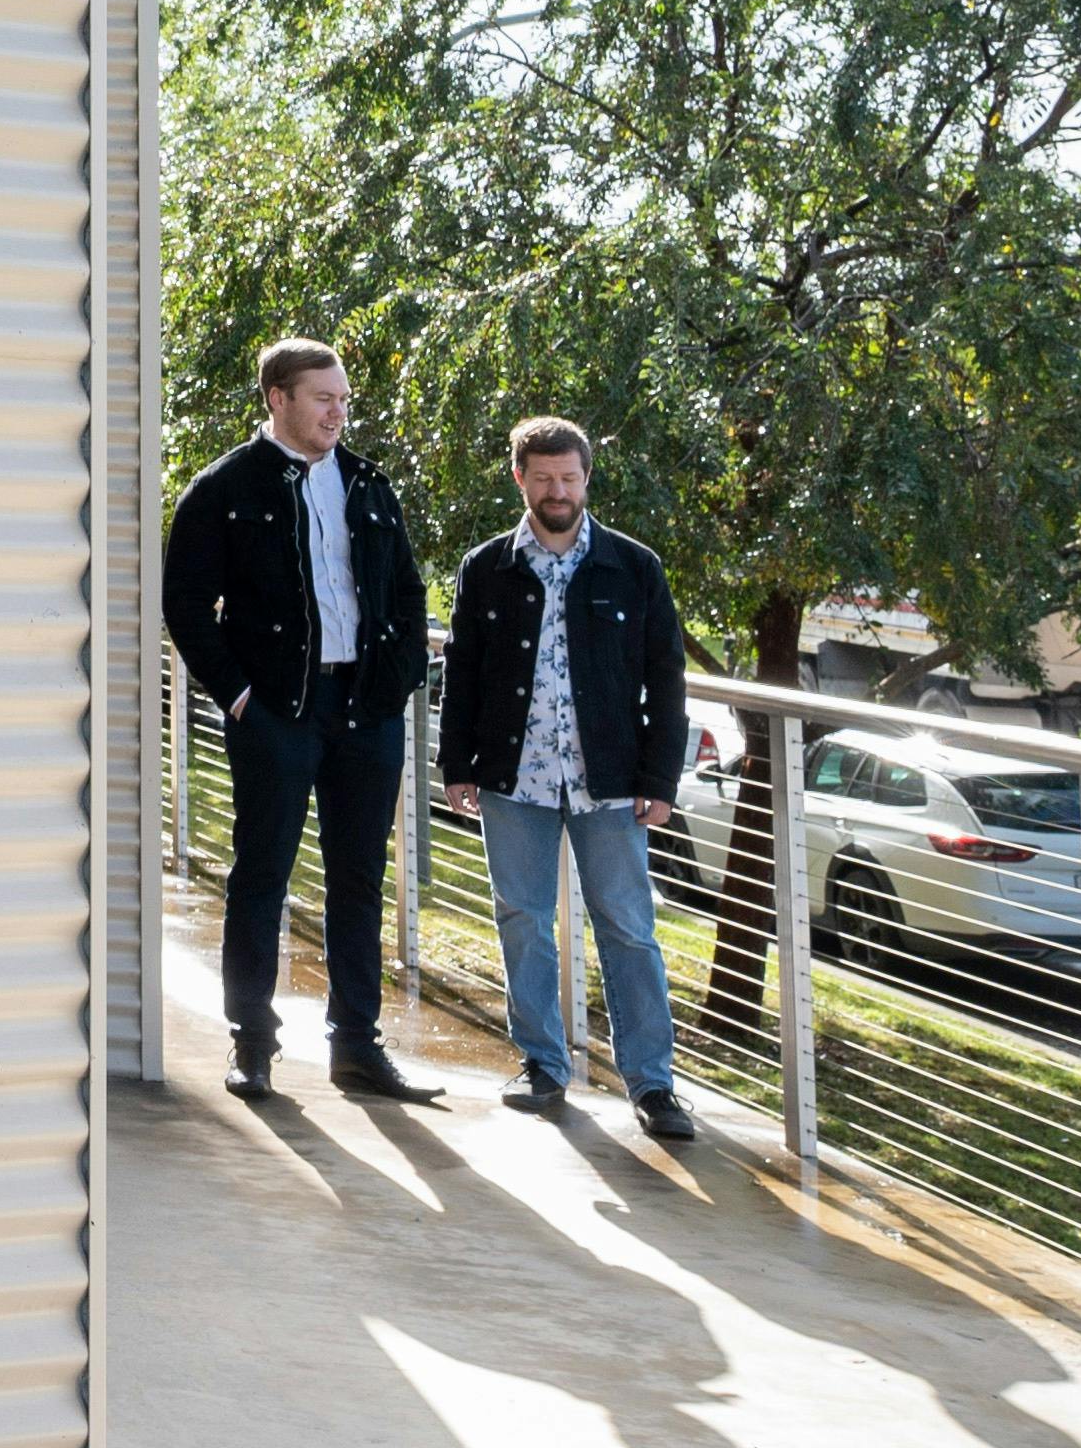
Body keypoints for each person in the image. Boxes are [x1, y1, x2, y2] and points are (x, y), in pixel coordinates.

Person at [161, 338, 432, 1101]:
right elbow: (185, 604)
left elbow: (408, 595)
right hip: (278, 710)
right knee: (262, 876)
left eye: (344, 399)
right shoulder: (224, 489)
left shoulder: (370, 485)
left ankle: (357, 1047)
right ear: (278, 398)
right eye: (323, 398)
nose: (338, 412)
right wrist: (240, 694)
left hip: (367, 711)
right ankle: (252, 1044)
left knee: (359, 879)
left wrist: (398, 682)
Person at [438, 418, 698, 1141]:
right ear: (519, 479)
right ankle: (543, 1065)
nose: (559, 491)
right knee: (523, 920)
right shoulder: (486, 565)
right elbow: (463, 673)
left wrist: (661, 779)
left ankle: (653, 1085)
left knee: (629, 929)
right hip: (512, 777)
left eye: (570, 478)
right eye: (544, 478)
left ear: (588, 479)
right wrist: (456, 765)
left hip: (610, 782)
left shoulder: (633, 566)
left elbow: (666, 680)